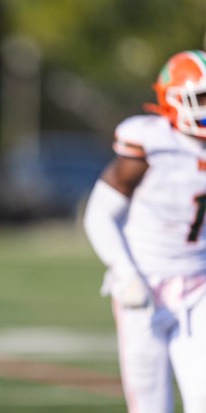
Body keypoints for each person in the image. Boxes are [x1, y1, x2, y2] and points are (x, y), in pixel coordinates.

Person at [84, 50, 206, 413]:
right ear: (172, 100)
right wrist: (125, 273)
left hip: (199, 282)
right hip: (146, 284)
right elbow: (99, 215)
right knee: (150, 405)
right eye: (201, 97)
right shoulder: (151, 143)